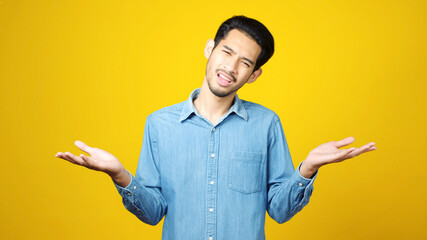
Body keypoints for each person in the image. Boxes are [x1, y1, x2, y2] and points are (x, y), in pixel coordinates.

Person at [55, 15, 376, 240]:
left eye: (246, 63)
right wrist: (120, 175)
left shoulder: (267, 123)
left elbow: (279, 211)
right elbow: (153, 214)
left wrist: (307, 169)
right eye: (227, 52)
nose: (231, 67)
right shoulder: (159, 124)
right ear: (210, 49)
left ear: (253, 75)